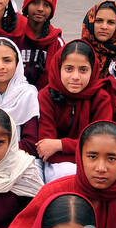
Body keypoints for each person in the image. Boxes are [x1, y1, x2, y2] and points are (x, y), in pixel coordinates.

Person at [37, 40, 110, 182]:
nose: (75, 77)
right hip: (56, 165)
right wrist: (83, 148)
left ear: (93, 70)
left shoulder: (101, 98)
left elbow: (101, 142)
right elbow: (46, 147)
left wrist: (60, 145)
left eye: (83, 70)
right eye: (69, 69)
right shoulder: (47, 95)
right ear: (59, 68)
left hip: (93, 165)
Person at [0, 36, 40, 154]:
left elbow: (31, 144)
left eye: (7, 60)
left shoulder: (28, 94)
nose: (0, 66)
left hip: (20, 158)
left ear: (17, 64)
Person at [20, 0, 63, 88]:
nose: (40, 9)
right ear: (26, 6)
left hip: (44, 97)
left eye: (46, 5)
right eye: (35, 3)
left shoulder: (56, 42)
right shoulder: (14, 35)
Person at [80, 0, 116, 70]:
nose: (104, 27)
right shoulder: (77, 51)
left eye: (111, 22)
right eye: (99, 21)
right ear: (89, 22)